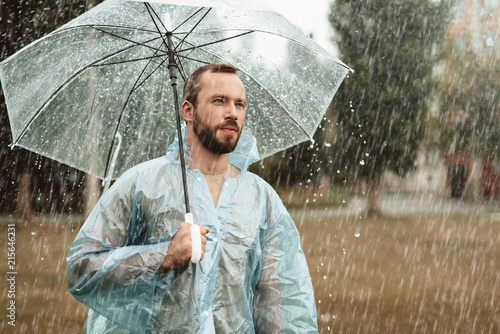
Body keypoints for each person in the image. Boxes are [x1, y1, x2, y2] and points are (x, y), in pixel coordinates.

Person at [67, 63, 318, 333]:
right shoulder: (142, 184)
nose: (233, 113)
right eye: (219, 101)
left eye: (240, 104)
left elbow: (277, 303)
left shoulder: (261, 198)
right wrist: (162, 255)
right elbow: (82, 269)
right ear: (188, 110)